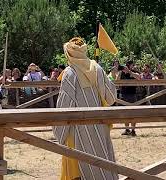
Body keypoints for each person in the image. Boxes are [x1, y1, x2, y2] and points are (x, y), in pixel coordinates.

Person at [53, 37, 118, 180]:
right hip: (100, 126)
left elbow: (64, 106)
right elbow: (111, 97)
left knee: (78, 165)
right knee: (102, 163)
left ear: (68, 53)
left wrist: (58, 129)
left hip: (76, 129)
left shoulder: (70, 73)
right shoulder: (97, 68)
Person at [119, 60, 140, 136]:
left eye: (130, 65)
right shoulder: (121, 73)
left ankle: (133, 130)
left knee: (133, 112)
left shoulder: (133, 71)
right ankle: (127, 129)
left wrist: (130, 72)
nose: (129, 67)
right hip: (124, 94)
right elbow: (117, 80)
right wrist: (119, 71)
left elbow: (139, 77)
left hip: (132, 94)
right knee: (125, 113)